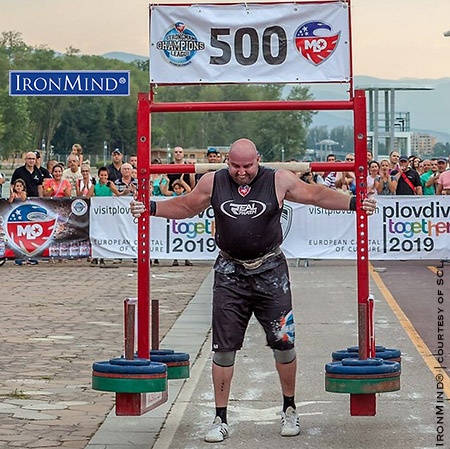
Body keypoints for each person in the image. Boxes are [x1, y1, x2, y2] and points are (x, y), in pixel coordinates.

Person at [130, 138, 377, 442]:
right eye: (236, 166)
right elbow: (185, 205)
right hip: (229, 272)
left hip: (270, 271)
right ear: (227, 162)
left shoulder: (278, 179)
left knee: (283, 343)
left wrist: (354, 202)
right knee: (222, 350)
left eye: (248, 166)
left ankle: (289, 408)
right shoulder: (213, 182)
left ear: (258, 159)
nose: (242, 172)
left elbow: (315, 195)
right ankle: (220, 418)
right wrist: (151, 207)